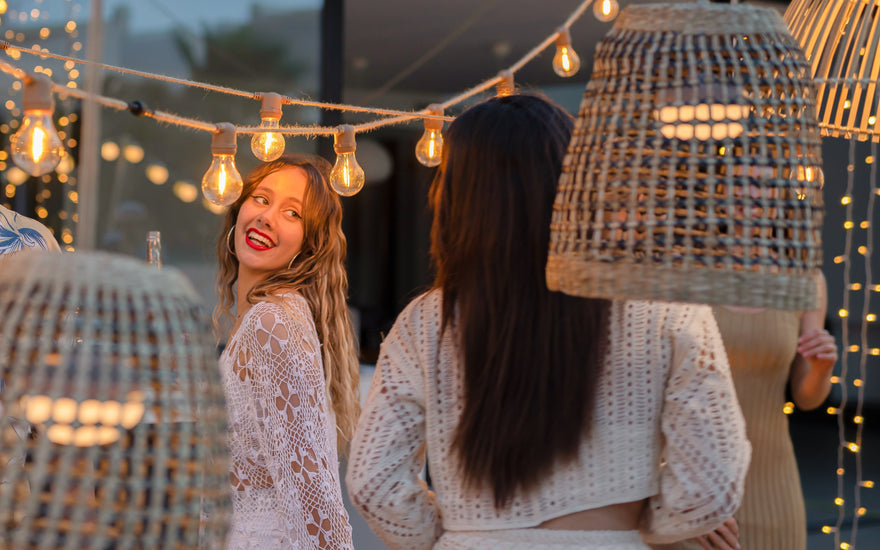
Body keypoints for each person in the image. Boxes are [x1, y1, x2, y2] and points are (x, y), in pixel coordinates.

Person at [345, 94, 751, 550]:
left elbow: (374, 485)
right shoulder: (664, 305)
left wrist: (465, 533)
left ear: (457, 198)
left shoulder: (425, 321)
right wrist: (637, 524)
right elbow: (711, 485)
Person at [214, 153, 359, 549]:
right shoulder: (263, 319)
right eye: (261, 199)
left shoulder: (271, 322)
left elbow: (313, 489)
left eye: (292, 213)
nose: (266, 217)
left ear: (309, 246)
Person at [660, 272, 838, 550]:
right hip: (691, 483)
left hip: (772, 482)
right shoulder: (685, 269)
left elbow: (807, 399)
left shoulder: (805, 277)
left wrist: (821, 369)